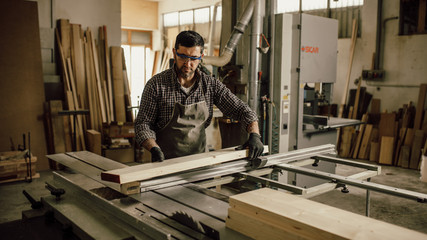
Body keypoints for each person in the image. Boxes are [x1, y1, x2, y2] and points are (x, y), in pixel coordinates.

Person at [135, 30, 264, 162]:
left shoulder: (210, 85)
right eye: (183, 56)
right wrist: (154, 148)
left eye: (194, 58)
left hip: (200, 163)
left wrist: (255, 135)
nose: (188, 64)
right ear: (174, 53)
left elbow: (242, 110)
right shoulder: (156, 85)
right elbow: (143, 124)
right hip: (165, 163)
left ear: (201, 56)